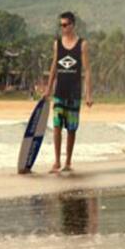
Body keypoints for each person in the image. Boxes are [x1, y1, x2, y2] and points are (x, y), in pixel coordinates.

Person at [44, 11, 93, 173]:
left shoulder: (82, 45)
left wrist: (88, 95)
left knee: (71, 129)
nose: (63, 28)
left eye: (65, 25)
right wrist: (48, 88)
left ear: (72, 25)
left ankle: (68, 162)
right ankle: (57, 161)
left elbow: (87, 70)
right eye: (61, 25)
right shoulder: (57, 44)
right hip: (59, 92)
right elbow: (53, 67)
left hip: (74, 93)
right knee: (57, 126)